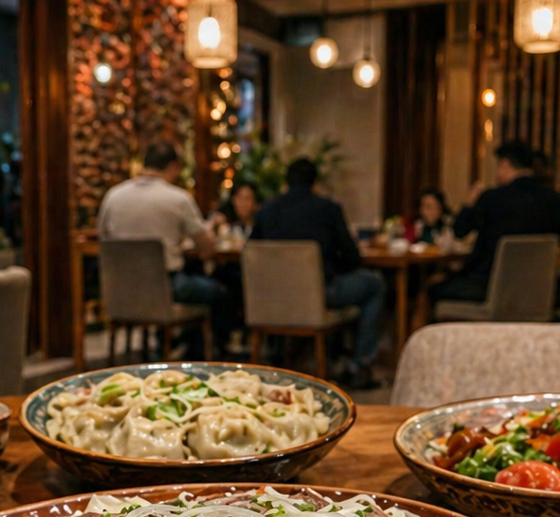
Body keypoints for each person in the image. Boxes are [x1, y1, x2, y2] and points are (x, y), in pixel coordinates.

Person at [252, 158, 387, 390]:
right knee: (375, 284)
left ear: (285, 182)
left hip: (270, 301)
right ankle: (360, 365)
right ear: (315, 183)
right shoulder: (328, 209)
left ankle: (274, 354)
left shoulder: (267, 210)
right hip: (320, 295)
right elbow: (352, 257)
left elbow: (251, 252)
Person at [96, 141, 232, 352]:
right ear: (172, 167)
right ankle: (201, 353)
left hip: (120, 290)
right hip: (167, 287)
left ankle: (175, 344)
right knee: (219, 293)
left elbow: (103, 237)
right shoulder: (178, 199)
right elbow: (207, 249)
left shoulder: (113, 196)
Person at [428, 140, 560, 308]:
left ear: (505, 164)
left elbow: (459, 230)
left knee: (433, 288)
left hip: (488, 287)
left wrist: (470, 204)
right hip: (540, 292)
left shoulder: (492, 198)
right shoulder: (554, 200)